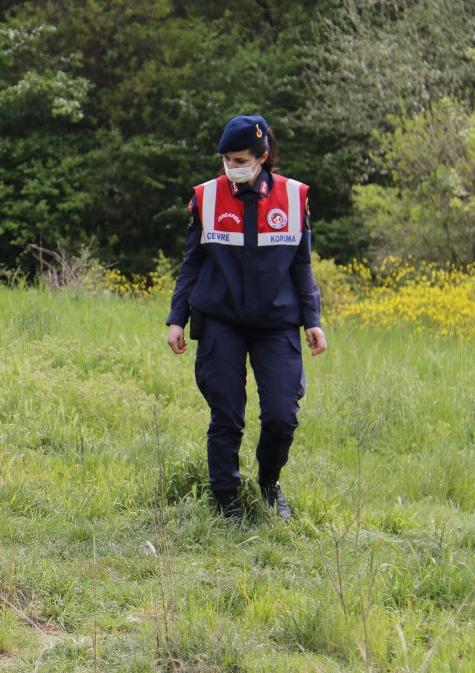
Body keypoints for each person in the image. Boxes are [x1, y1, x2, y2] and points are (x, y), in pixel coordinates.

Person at [165, 115, 327, 522]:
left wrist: (313, 319)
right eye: (227, 159)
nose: (231, 166)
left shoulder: (293, 198)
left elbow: (301, 266)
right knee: (227, 414)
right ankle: (226, 501)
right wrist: (176, 318)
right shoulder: (206, 197)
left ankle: (269, 483)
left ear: (262, 157)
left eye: (239, 159)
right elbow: (192, 264)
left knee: (281, 416)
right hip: (222, 320)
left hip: (276, 325)